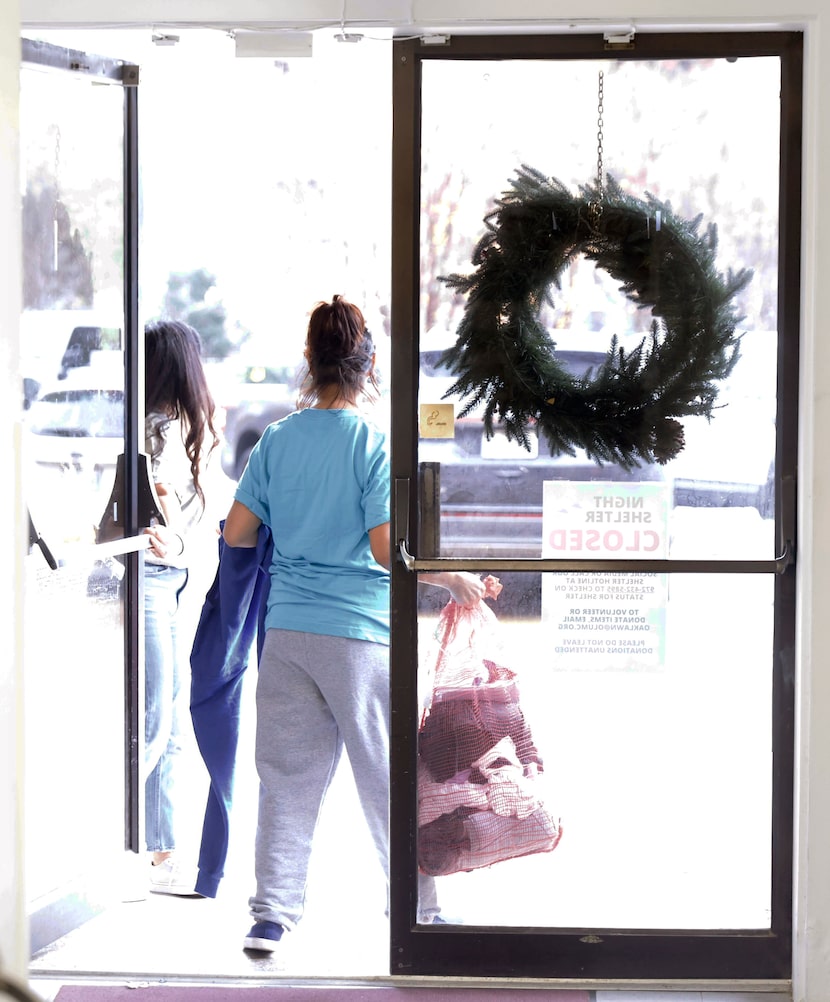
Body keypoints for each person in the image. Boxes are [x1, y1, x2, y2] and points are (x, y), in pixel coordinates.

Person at [221, 295, 485, 952]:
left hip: (286, 635)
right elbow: (380, 549)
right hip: (358, 635)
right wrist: (453, 577)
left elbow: (237, 532)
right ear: (368, 365)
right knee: (388, 776)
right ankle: (418, 908)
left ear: (309, 360)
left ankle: (270, 918)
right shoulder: (371, 443)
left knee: (285, 777)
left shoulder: (278, 440)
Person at [141, 319, 220, 896]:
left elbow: (196, 519)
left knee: (165, 714)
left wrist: (182, 541)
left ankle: (159, 847)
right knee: (155, 714)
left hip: (171, 578)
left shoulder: (187, 431)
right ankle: (150, 848)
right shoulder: (153, 432)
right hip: (147, 578)